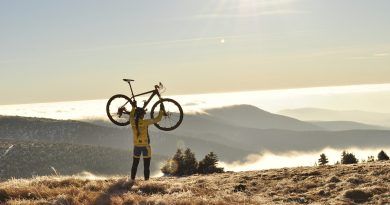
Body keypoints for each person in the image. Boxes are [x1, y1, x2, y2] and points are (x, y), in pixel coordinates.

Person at [129, 100, 164, 180]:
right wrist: (161, 110)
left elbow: (131, 115)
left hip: (136, 146)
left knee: (135, 165)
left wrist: (133, 107)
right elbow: (157, 119)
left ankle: (131, 181)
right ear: (142, 115)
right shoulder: (145, 122)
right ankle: (146, 183)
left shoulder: (132, 121)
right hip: (146, 147)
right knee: (146, 166)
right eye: (143, 114)